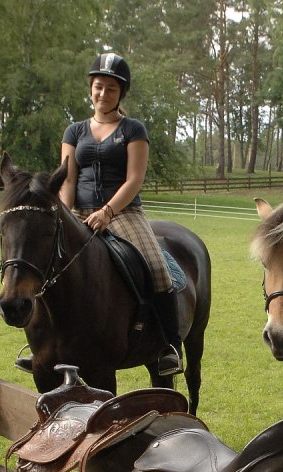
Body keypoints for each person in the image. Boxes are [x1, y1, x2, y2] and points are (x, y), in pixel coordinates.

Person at [59, 51, 183, 376]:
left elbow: (134, 179)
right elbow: (68, 177)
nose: (103, 94)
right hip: (78, 211)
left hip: (124, 212)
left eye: (111, 89)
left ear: (120, 93)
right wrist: (64, 213)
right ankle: (47, 343)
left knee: (158, 268)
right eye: (99, 86)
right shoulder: (74, 132)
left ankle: (170, 347)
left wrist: (108, 211)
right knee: (49, 265)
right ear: (91, 88)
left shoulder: (133, 129)